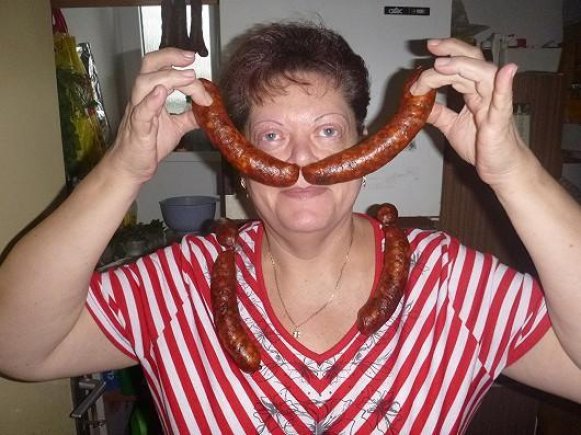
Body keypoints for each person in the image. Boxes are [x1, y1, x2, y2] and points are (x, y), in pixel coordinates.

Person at [0, 21, 580, 434]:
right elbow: (16, 348)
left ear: (364, 151)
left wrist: (513, 172)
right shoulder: (178, 281)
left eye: (327, 131)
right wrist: (123, 168)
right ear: (241, 164)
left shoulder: (450, 281)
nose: (300, 160)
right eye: (271, 136)